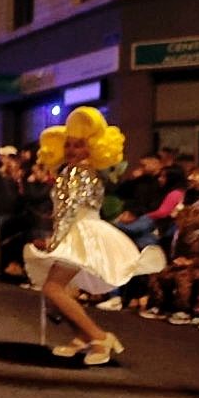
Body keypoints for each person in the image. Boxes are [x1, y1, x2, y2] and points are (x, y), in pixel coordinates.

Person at [23, 107, 163, 365]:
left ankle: (99, 337)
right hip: (84, 232)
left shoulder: (76, 173)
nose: (72, 150)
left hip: (80, 234)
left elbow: (68, 211)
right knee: (62, 289)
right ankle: (81, 337)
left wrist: (54, 241)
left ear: (93, 147)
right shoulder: (84, 173)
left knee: (53, 289)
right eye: (69, 145)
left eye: (79, 145)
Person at [142, 209, 199, 323]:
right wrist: (179, 261)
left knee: (182, 277)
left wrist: (191, 262)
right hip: (182, 266)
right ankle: (158, 305)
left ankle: (182, 310)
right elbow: (178, 254)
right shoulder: (181, 237)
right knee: (158, 274)